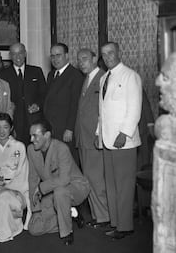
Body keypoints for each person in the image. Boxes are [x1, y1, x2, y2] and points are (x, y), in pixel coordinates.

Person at [97, 41, 142, 240]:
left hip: (123, 140)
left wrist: (124, 133)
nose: (107, 57)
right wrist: (99, 132)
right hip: (107, 139)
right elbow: (102, 112)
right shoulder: (104, 78)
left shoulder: (130, 76)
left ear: (118, 52)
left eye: (110, 53)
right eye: (104, 55)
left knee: (124, 184)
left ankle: (125, 226)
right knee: (112, 184)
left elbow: (135, 108)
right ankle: (116, 223)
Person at [27, 120, 90, 246]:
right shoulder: (31, 150)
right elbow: (33, 179)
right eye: (30, 135)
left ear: (47, 135)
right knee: (34, 229)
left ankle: (67, 232)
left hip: (75, 187)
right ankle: (70, 214)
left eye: (35, 135)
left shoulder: (61, 148)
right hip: (53, 193)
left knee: (61, 192)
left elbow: (64, 180)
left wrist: (41, 187)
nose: (31, 139)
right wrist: (36, 210)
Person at [0, 113, 30, 242]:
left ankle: (8, 224)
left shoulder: (19, 147)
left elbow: (22, 174)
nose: (2, 131)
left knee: (3, 200)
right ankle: (2, 220)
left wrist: (5, 189)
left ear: (11, 128)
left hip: (16, 191)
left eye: (5, 127)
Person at [75, 49, 109, 228]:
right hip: (83, 137)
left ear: (95, 59)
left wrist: (99, 134)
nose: (81, 63)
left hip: (94, 139)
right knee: (89, 179)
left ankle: (104, 217)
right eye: (79, 60)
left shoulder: (103, 78)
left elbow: (105, 112)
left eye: (85, 59)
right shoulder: (86, 79)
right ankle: (98, 216)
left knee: (96, 180)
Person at [44, 43, 84, 166]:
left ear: (67, 56)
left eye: (58, 55)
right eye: (52, 56)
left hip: (65, 129)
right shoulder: (51, 75)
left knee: (68, 162)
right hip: (52, 127)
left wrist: (70, 129)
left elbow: (75, 104)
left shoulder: (75, 75)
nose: (55, 59)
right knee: (55, 162)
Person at [0, 43, 47, 145]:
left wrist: (38, 105)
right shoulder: (3, 74)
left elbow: (44, 94)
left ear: (25, 54)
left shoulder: (36, 71)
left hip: (34, 121)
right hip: (15, 122)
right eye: (14, 54)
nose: (18, 57)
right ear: (10, 56)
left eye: (20, 53)